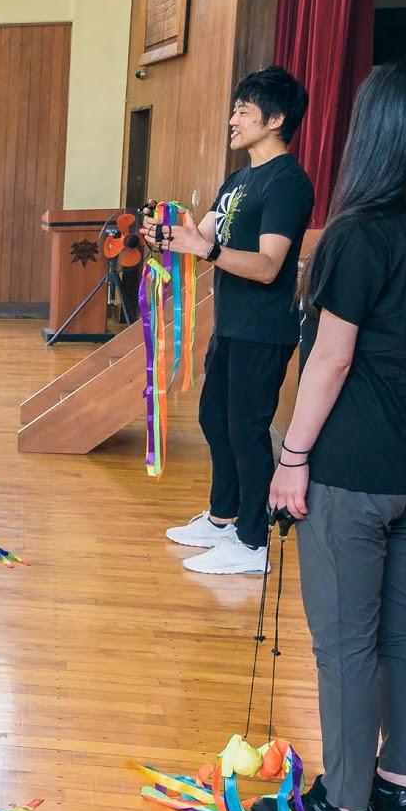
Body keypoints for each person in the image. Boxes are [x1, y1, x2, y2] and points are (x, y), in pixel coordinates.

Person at [250, 57, 406, 811]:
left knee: (344, 643)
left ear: (375, 132)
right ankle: (400, 789)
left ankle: (345, 807)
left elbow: (330, 360)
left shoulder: (358, 233)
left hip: (350, 466)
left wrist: (291, 457)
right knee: (400, 631)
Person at [159, 66, 316, 577]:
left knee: (247, 431)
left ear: (275, 119)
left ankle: (253, 543)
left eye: (244, 112)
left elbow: (269, 265)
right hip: (231, 323)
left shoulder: (288, 182)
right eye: (235, 110)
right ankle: (224, 517)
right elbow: (198, 234)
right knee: (214, 419)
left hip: (263, 328)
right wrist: (159, 232)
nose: (232, 120)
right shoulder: (239, 178)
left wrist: (204, 247)